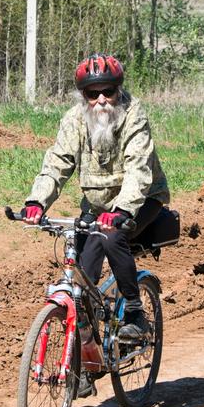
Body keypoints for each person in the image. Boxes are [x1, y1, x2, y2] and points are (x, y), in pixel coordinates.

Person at [23, 52, 170, 352]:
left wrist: (122, 210)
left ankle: (134, 311)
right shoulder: (75, 120)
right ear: (83, 95)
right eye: (93, 93)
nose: (102, 99)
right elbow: (57, 162)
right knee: (82, 282)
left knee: (112, 236)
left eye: (109, 91)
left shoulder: (133, 115)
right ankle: (85, 361)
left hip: (141, 200)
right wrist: (37, 202)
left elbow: (138, 169)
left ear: (118, 90)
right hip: (98, 207)